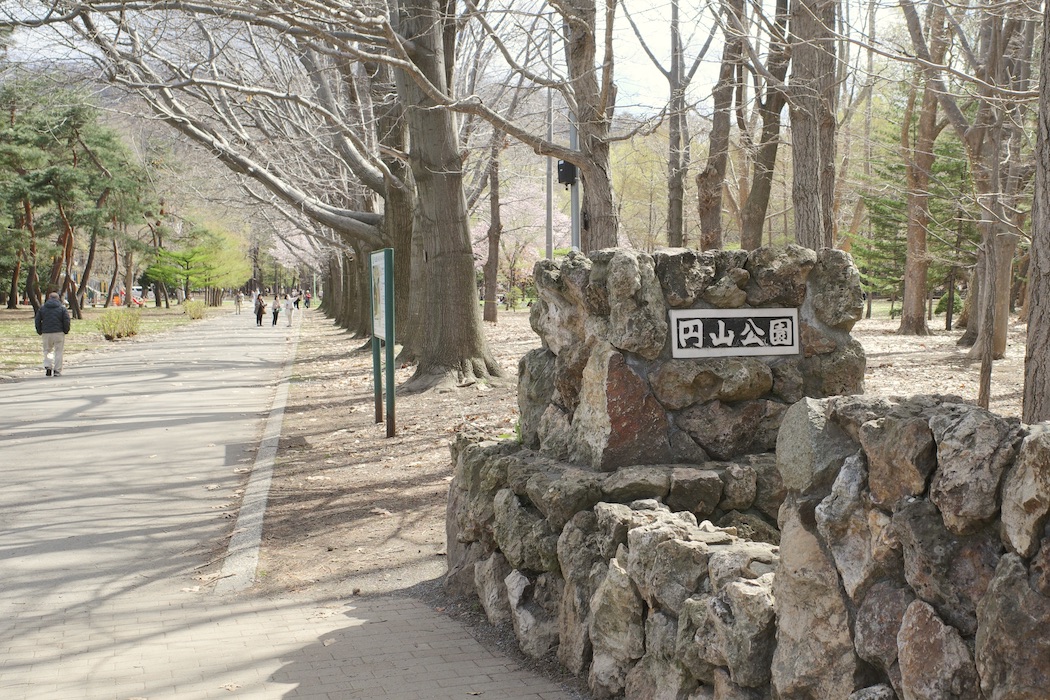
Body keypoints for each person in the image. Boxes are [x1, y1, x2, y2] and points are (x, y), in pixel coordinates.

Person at [35, 291, 71, 377]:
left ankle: (48, 366)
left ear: (49, 298)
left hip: (46, 332)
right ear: (58, 298)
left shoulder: (42, 308)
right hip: (59, 332)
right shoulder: (62, 308)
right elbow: (66, 320)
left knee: (47, 350)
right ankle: (57, 370)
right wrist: (66, 330)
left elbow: (37, 320)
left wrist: (39, 330)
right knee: (58, 351)